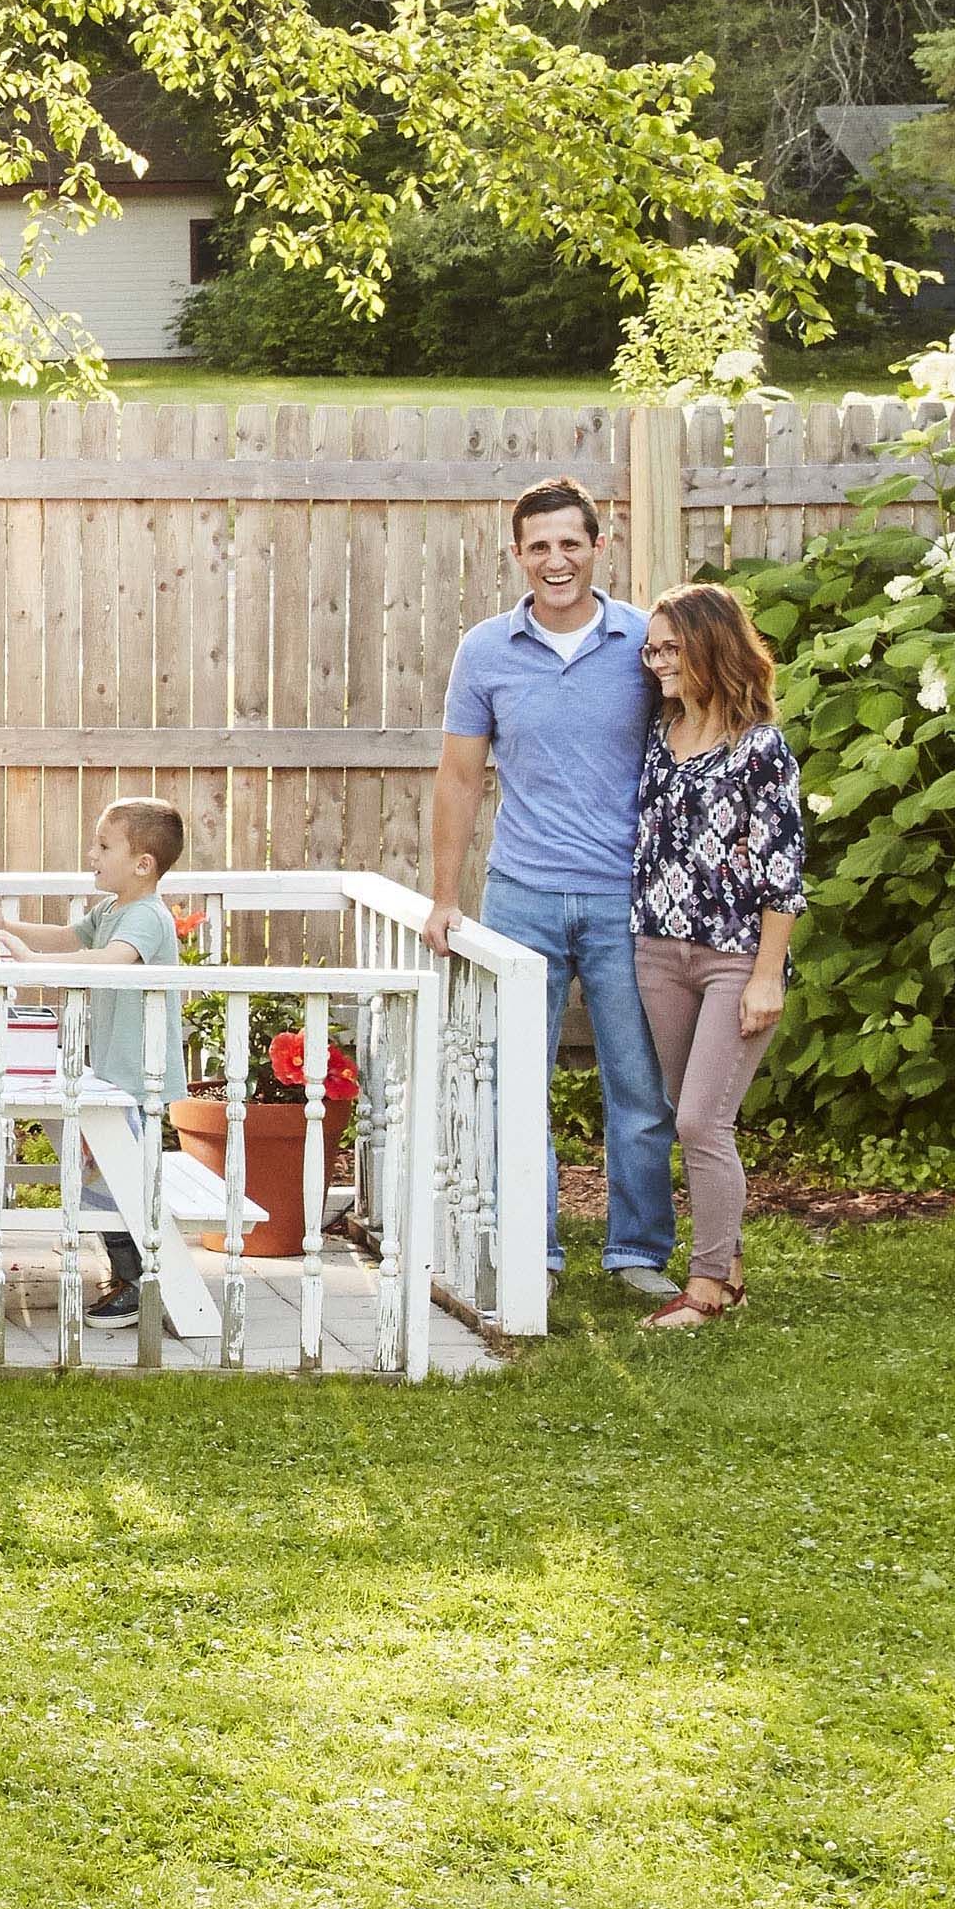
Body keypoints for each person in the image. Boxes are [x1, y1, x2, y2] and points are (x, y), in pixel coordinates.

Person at [425, 477, 674, 1299]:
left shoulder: (645, 642)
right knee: (512, 1080)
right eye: (539, 545)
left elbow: (701, 746)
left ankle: (637, 1250)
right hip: (521, 894)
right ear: (518, 554)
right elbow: (460, 779)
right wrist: (443, 895)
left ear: (599, 548)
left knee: (637, 1083)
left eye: (571, 542)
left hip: (625, 899)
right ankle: (536, 1248)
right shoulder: (485, 650)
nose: (556, 559)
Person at [628, 583, 804, 1335]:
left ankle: (702, 1288)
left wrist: (767, 973)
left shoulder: (761, 748)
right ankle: (729, 1271)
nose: (658, 662)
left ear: (710, 647)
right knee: (686, 1115)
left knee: (704, 1120)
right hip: (657, 951)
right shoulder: (660, 733)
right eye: (653, 648)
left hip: (735, 958)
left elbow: (783, 869)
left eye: (672, 648)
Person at [0, 798, 181, 1331]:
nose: (91, 854)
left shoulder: (145, 916)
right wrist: (13, 926)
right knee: (102, 1173)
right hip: (113, 1072)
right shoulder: (116, 909)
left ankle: (139, 1281)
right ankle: (130, 1273)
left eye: (103, 845)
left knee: (122, 1178)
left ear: (142, 863)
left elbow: (112, 960)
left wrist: (35, 965)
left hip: (140, 1076)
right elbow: (72, 938)